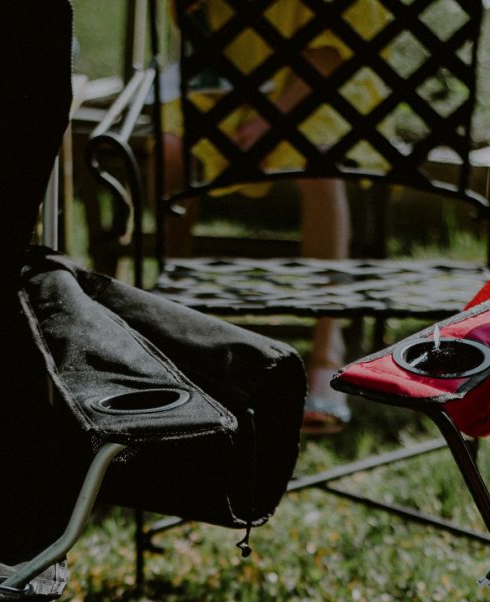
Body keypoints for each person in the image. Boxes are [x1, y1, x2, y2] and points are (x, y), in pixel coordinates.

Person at [161, 0, 388, 435]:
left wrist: (275, 117)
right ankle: (170, 332)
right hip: (225, 79)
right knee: (172, 150)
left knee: (320, 166)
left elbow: (338, 40)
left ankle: (327, 350)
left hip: (317, 85)